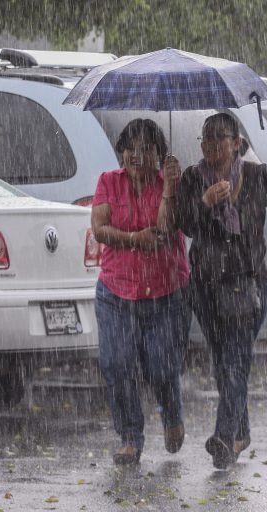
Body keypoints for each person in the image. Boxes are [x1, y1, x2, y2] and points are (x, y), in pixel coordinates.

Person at [176, 113, 267, 469]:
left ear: (236, 142)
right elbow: (185, 225)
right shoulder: (192, 178)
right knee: (224, 363)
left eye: (219, 138)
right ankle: (241, 433)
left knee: (236, 360)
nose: (211, 146)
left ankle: (224, 437)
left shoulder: (258, 175)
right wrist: (205, 202)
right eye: (206, 139)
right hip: (206, 285)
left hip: (248, 282)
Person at [91, 118, 191, 465]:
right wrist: (134, 239)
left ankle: (172, 413)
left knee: (161, 368)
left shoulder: (171, 184)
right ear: (121, 152)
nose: (137, 155)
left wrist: (170, 189)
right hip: (116, 292)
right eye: (130, 148)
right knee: (117, 366)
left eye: (147, 149)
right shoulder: (108, 182)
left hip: (166, 291)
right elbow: (100, 229)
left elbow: (165, 228)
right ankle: (130, 437)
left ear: (160, 154)